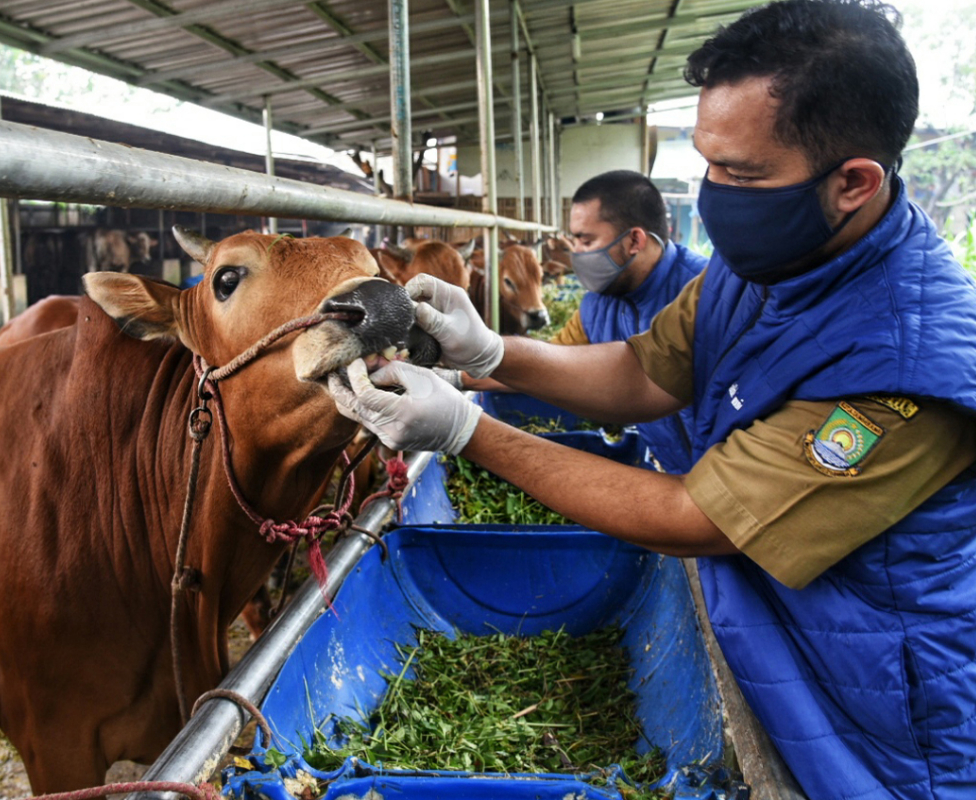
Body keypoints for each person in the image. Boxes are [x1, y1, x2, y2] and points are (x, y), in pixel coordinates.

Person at [328, 2, 976, 797]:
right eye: (706, 162)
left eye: (740, 175)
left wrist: (467, 431)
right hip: (767, 636)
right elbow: (644, 372)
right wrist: (490, 353)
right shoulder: (771, 257)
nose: (711, 196)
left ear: (854, 182)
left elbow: (694, 518)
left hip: (871, 706)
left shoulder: (909, 371)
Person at [553, 170, 706, 473]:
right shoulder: (596, 306)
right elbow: (551, 360)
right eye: (575, 240)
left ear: (635, 239)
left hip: (734, 482)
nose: (577, 254)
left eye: (586, 240)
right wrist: (464, 371)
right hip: (674, 473)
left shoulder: (709, 292)